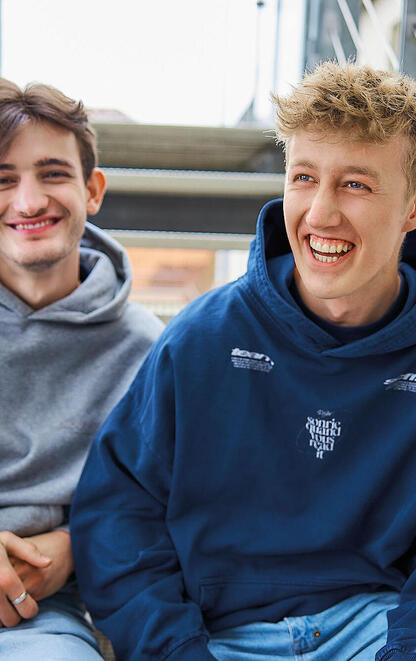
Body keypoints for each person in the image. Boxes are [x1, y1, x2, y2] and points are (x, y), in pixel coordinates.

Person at [70, 61, 416, 661]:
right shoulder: (202, 340)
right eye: (304, 177)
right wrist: (179, 650)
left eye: (356, 185)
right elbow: (119, 517)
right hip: (218, 639)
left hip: (380, 631)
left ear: (412, 208)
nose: (320, 213)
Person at [0, 78, 163, 660]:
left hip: (34, 616)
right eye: (2, 180)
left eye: (53, 174)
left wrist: (75, 546)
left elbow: (167, 506)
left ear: (92, 189)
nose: (30, 202)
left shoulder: (149, 350)